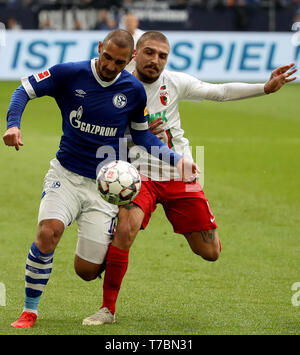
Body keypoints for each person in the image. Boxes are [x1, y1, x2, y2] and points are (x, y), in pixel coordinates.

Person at [81, 30, 297, 325]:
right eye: (149, 52)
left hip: (178, 171)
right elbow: (97, 125)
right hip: (136, 174)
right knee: (126, 229)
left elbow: (218, 92)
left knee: (210, 252)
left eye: (162, 56)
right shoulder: (117, 82)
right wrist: (136, 132)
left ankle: (120, 242)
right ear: (135, 53)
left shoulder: (175, 82)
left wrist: (266, 87)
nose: (155, 60)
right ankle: (107, 309)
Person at [3, 29, 196, 329]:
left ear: (129, 60)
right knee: (48, 233)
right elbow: (23, 90)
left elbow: (143, 135)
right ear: (99, 48)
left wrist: (177, 160)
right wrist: (13, 125)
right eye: (106, 57)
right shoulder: (70, 73)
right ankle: (30, 310)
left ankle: (101, 255)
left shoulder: (133, 91)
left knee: (87, 270)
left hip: (104, 186)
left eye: (119, 62)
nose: (110, 66)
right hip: (65, 175)